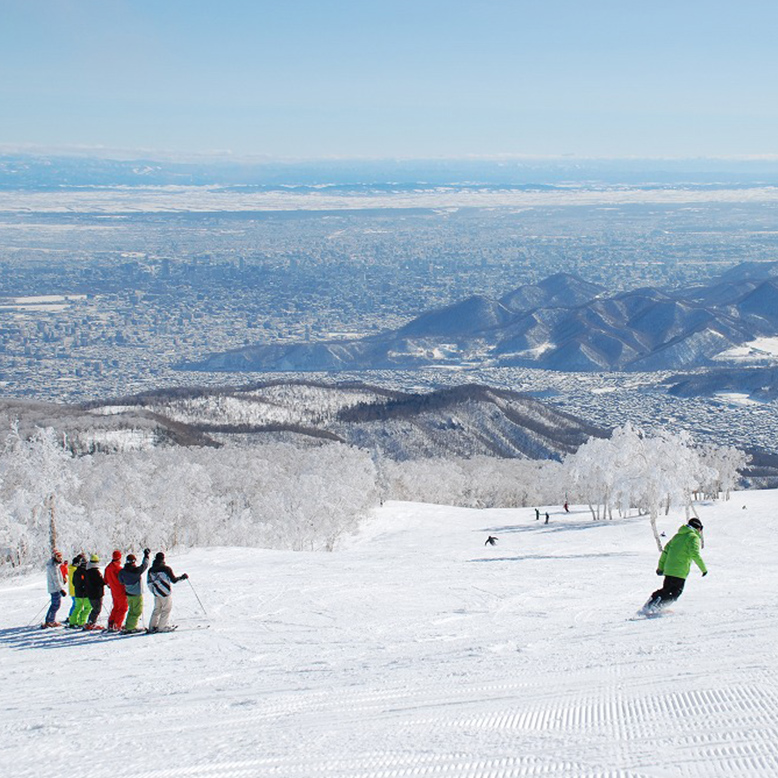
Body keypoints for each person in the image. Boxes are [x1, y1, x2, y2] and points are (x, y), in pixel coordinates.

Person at [641, 517, 707, 614]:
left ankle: (651, 605)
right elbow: (695, 554)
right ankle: (653, 608)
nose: (700, 531)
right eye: (701, 528)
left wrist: (661, 567)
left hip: (669, 570)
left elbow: (665, 552)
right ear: (698, 528)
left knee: (666, 590)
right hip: (679, 571)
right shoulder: (693, 537)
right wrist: (703, 569)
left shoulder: (677, 536)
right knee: (674, 593)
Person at [147, 552, 188, 633]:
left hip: (156, 592)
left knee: (157, 609)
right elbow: (174, 580)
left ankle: (152, 627)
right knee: (166, 609)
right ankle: (162, 627)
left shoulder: (151, 569)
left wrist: (154, 590)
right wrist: (182, 577)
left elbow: (149, 581)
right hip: (165, 592)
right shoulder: (166, 569)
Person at [119, 549, 150, 633]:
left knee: (131, 610)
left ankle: (129, 625)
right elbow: (145, 565)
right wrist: (146, 555)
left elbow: (121, 581)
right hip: (136, 594)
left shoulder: (122, 571)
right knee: (137, 611)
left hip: (128, 593)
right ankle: (131, 627)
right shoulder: (136, 571)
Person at [104, 550, 127, 631]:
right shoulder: (118, 569)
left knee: (116, 607)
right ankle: (117, 625)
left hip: (113, 591)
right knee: (123, 608)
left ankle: (111, 623)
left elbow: (105, 581)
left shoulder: (108, 568)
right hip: (121, 590)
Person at [43, 550, 67, 628]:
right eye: (58, 557)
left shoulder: (55, 565)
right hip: (55, 589)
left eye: (61, 557)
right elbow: (55, 580)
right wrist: (60, 589)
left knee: (55, 605)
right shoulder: (53, 567)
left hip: (55, 588)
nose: (60, 559)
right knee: (55, 605)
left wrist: (62, 581)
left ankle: (50, 620)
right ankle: (50, 621)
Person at [83, 554, 106, 630]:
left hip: (90, 593)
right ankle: (91, 623)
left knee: (95, 608)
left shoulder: (87, 571)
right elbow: (100, 582)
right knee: (97, 609)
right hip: (96, 593)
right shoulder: (95, 572)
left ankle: (91, 622)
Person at [68, 555, 91, 627]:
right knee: (88, 607)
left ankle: (72, 621)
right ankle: (81, 622)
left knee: (77, 607)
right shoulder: (85, 572)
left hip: (77, 592)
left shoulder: (76, 571)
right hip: (84, 593)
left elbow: (73, 582)